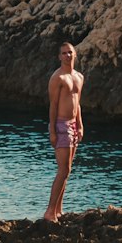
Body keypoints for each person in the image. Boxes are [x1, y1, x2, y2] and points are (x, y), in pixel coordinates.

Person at [43, 40, 84, 221]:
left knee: (68, 170)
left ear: (75, 54)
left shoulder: (79, 77)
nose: (68, 55)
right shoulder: (57, 78)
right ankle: (49, 211)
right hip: (61, 125)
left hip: (74, 126)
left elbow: (78, 104)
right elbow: (53, 105)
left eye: (70, 52)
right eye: (64, 53)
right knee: (63, 170)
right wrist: (52, 130)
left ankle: (59, 210)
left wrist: (80, 125)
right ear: (59, 57)